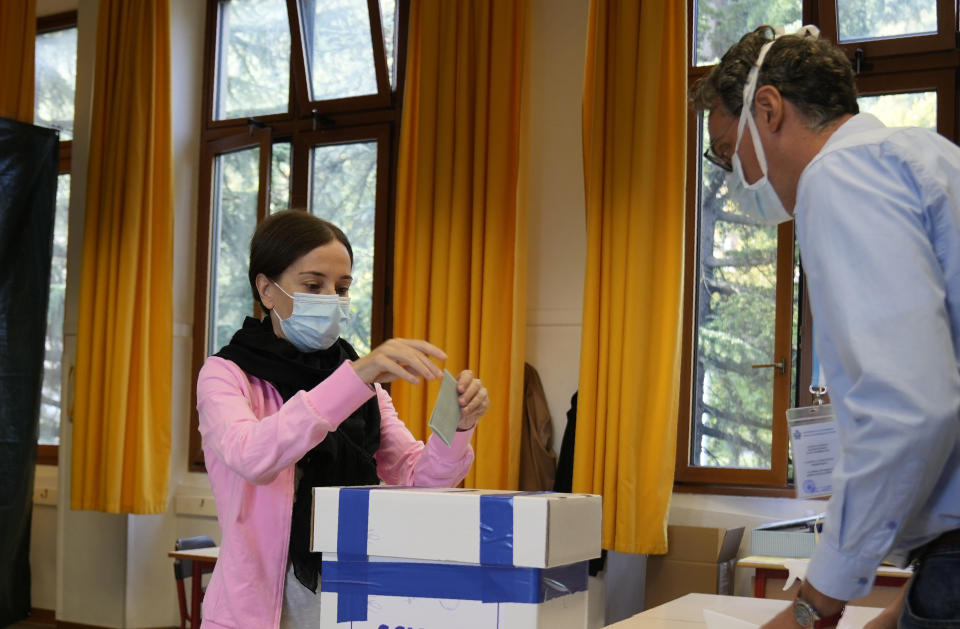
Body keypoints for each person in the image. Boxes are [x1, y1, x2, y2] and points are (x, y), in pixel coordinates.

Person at [691, 25, 960, 629]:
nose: (736, 179)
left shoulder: (839, 177)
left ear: (769, 108)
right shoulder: (930, 157)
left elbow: (907, 410)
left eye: (729, 152)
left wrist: (817, 605)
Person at [195, 210, 489, 629]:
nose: (331, 298)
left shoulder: (355, 379)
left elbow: (416, 478)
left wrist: (457, 428)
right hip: (257, 610)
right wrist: (355, 379)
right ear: (267, 290)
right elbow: (253, 456)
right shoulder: (226, 373)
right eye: (314, 285)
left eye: (342, 287)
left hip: (356, 595)